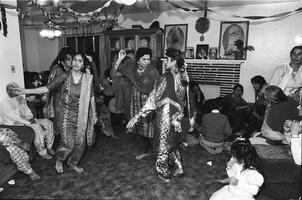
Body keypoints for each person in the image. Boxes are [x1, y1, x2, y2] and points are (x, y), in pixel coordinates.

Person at [16, 53, 97, 174]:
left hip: (82, 117)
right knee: (69, 144)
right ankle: (60, 159)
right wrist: (25, 90)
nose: (76, 63)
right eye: (74, 60)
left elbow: (91, 98)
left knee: (80, 144)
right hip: (66, 117)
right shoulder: (64, 76)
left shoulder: (87, 79)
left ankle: (72, 163)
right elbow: (46, 88)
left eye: (80, 61)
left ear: (83, 65)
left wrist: (94, 114)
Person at [127, 48, 196, 182]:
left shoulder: (166, 77)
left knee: (162, 142)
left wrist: (137, 116)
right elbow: (188, 99)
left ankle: (163, 172)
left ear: (173, 61)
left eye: (167, 59)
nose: (165, 61)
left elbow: (153, 98)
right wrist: (189, 119)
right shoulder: (183, 75)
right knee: (171, 141)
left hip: (166, 114)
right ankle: (178, 166)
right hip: (177, 116)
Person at [117, 47, 160, 160]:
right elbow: (117, 71)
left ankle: (153, 150)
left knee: (148, 129)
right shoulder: (132, 68)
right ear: (137, 60)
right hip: (133, 102)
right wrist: (119, 59)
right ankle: (147, 149)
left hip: (147, 104)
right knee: (136, 128)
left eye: (148, 59)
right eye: (144, 59)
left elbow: (158, 88)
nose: (147, 61)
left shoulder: (152, 71)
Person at [0, 83, 55, 160]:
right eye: (11, 90)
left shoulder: (21, 98)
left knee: (48, 122)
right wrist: (29, 122)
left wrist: (31, 118)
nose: (14, 91)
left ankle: (49, 146)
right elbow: (13, 118)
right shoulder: (4, 103)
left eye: (15, 89)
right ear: (7, 91)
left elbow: (27, 110)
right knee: (36, 127)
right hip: (15, 124)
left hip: (26, 120)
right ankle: (42, 151)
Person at [45, 47, 74, 136]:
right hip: (59, 101)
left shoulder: (70, 70)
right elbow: (50, 86)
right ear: (62, 61)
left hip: (68, 101)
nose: (71, 61)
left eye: (72, 59)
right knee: (60, 124)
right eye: (68, 59)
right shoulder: (57, 69)